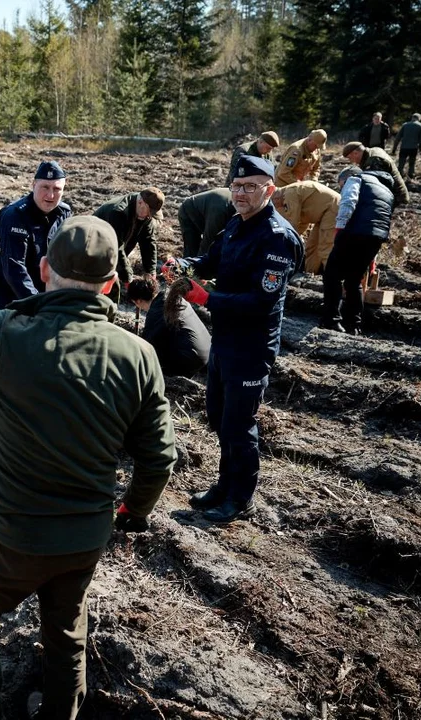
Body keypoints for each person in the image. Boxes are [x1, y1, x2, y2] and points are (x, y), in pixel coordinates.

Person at [0, 217, 176, 720]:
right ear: (113, 284)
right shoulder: (139, 355)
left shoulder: (6, 333)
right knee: (66, 633)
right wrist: (131, 513)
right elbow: (159, 458)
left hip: (10, 535)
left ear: (44, 268)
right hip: (84, 537)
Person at [163, 156, 303, 523]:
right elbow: (210, 260)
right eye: (237, 186)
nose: (240, 193)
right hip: (224, 339)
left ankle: (241, 497)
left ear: (269, 190)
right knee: (219, 416)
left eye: (250, 187)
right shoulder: (235, 225)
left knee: (240, 425)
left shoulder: (276, 238)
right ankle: (224, 485)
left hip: (251, 346)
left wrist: (206, 298)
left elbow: (262, 301)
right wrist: (182, 266)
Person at [0, 160, 72, 309]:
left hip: (43, 297)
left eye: (57, 189)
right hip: (10, 303)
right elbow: (14, 269)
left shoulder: (64, 213)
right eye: (45, 187)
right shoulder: (15, 216)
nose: (50, 195)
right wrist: (38, 304)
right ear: (33, 185)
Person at [321, 167, 396, 335]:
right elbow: (381, 221)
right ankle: (354, 325)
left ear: (347, 178)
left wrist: (339, 229)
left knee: (332, 275)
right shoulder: (388, 192)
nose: (342, 189)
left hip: (353, 233)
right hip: (375, 239)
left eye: (341, 186)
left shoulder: (356, 179)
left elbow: (348, 202)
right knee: (354, 281)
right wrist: (373, 258)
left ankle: (331, 320)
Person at [128, 275, 211, 377]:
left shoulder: (156, 312)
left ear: (138, 301)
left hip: (191, 360)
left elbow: (147, 347)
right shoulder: (171, 297)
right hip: (208, 350)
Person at [92, 186, 165, 300]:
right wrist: (128, 278)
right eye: (149, 212)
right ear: (141, 202)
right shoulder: (118, 212)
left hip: (114, 248)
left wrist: (150, 272)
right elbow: (116, 248)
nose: (149, 216)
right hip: (95, 248)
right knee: (101, 284)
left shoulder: (145, 214)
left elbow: (148, 242)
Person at [270, 181, 340, 274]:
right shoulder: (289, 195)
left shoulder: (289, 194)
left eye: (274, 205)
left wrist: (283, 244)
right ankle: (309, 273)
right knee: (312, 247)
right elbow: (302, 223)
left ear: (275, 198)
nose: (276, 208)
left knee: (325, 247)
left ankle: (334, 279)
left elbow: (292, 224)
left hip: (333, 208)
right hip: (323, 214)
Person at [342, 141, 410, 207]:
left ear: (355, 153)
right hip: (393, 195)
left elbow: (375, 187)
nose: (351, 161)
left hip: (396, 198)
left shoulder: (374, 160)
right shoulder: (373, 151)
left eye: (350, 158)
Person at [177, 188, 236, 257]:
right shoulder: (219, 213)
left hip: (210, 209)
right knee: (193, 249)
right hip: (188, 211)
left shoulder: (244, 206)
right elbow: (209, 243)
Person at [392, 113, 421, 179]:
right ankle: (410, 177)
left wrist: (394, 149)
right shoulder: (420, 126)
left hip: (404, 147)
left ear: (412, 117)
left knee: (401, 164)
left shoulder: (405, 125)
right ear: (419, 118)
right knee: (412, 164)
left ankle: (397, 177)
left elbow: (397, 138)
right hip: (413, 148)